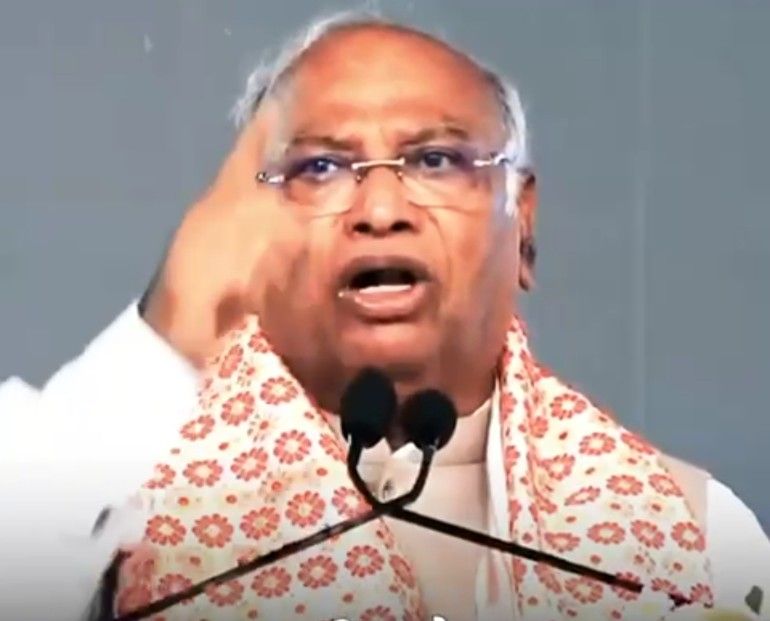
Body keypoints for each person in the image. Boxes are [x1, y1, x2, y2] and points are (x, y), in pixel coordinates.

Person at [1, 11, 768, 621]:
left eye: (435, 160)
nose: (378, 209)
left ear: (525, 225)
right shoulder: (103, 488)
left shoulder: (693, 541)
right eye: (321, 167)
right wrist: (166, 338)